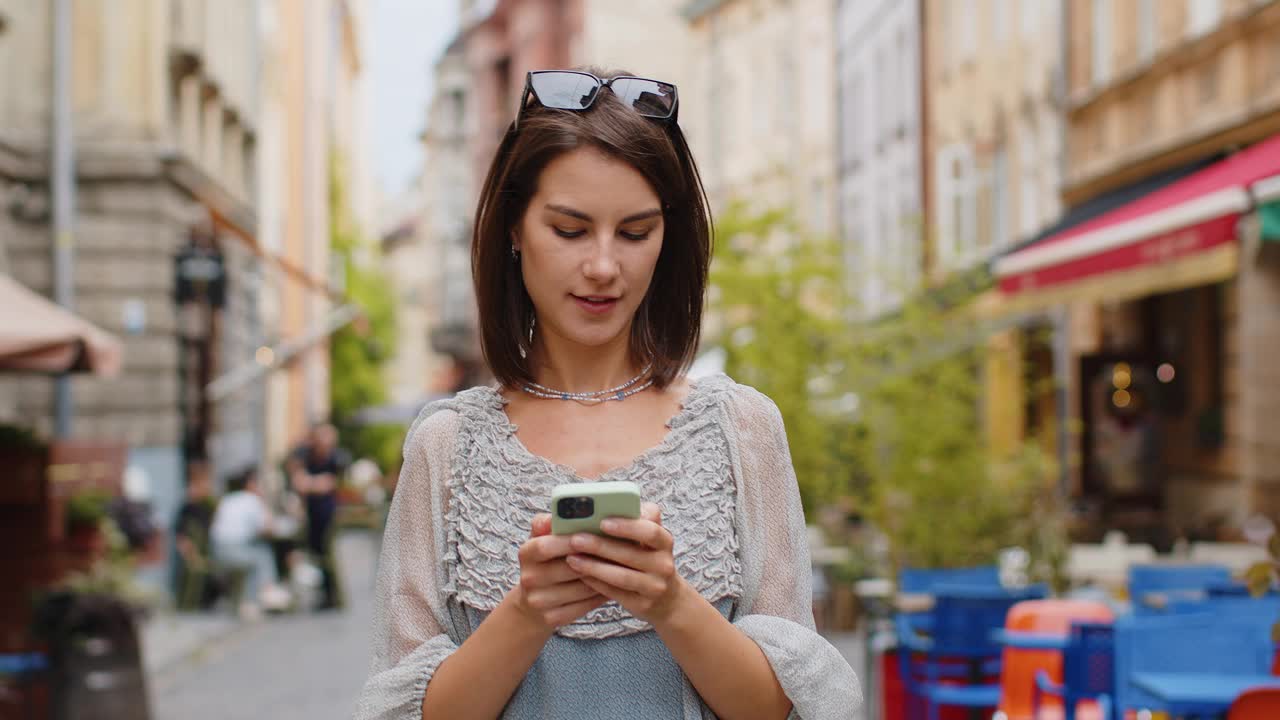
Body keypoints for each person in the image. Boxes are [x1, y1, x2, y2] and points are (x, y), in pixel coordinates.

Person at [355, 67, 860, 719]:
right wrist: (528, 609)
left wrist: (670, 602)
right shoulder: (447, 447)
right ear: (514, 227)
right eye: (569, 230)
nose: (602, 265)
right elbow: (411, 712)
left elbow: (779, 707)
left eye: (634, 232)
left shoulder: (742, 429)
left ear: (667, 237)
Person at [209, 467, 291, 619]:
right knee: (263, 555)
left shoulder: (228, 499)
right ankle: (263, 595)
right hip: (235, 551)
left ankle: (251, 599)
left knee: (257, 554)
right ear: (251, 484)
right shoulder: (252, 500)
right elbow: (266, 529)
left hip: (217, 551)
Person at [287, 422, 350, 610]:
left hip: (328, 513)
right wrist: (314, 484)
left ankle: (335, 597)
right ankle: (324, 595)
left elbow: (328, 484)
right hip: (311, 513)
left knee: (327, 553)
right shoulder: (305, 454)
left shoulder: (336, 458)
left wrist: (310, 483)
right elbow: (299, 481)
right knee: (316, 552)